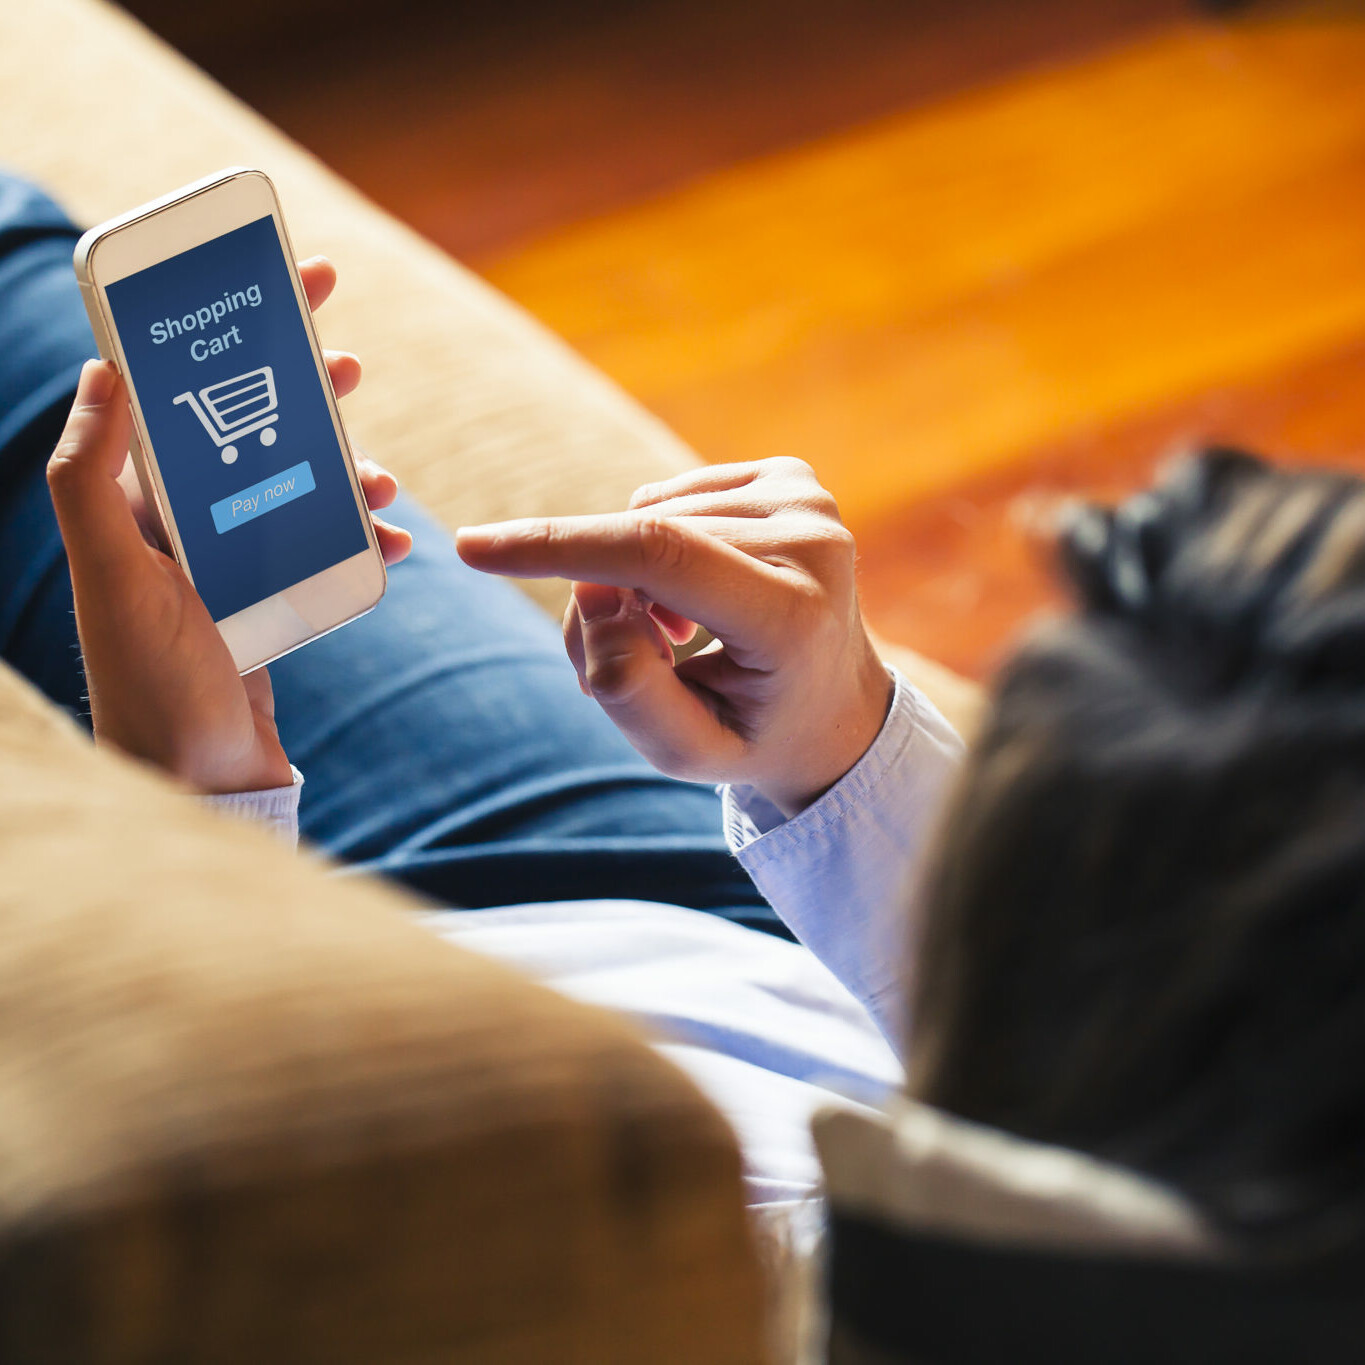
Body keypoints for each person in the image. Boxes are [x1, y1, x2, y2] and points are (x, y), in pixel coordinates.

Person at [2, 172, 960, 1211]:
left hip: (347, 1092)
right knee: (39, 303)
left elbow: (275, 1250)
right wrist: (843, 755)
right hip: (727, 932)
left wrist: (200, 804)